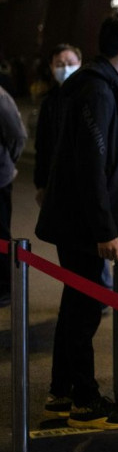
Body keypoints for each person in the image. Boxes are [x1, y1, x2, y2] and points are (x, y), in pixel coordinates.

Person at [35, 9, 118, 430]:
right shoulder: (98, 92)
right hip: (83, 226)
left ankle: (62, 392)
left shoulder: (97, 86)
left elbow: (106, 154)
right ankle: (84, 400)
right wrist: (106, 230)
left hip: (76, 221)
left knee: (76, 306)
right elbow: (90, 165)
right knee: (85, 308)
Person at [33, 43, 82, 208]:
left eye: (70, 63)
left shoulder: (90, 97)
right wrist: (40, 183)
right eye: (59, 64)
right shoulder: (49, 102)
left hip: (81, 180)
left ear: (80, 64)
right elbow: (42, 143)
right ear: (51, 67)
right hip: (54, 180)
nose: (65, 68)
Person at [0, 85, 28, 307]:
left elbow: (17, 136)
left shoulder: (1, 97)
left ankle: (4, 288)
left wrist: (7, 164)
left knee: (0, 234)